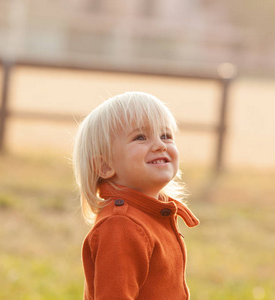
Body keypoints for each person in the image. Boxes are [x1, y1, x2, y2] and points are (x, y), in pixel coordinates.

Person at [73, 91, 199, 300]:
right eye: (140, 137)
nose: (160, 144)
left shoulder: (151, 215)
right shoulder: (121, 225)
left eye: (166, 135)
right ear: (105, 166)